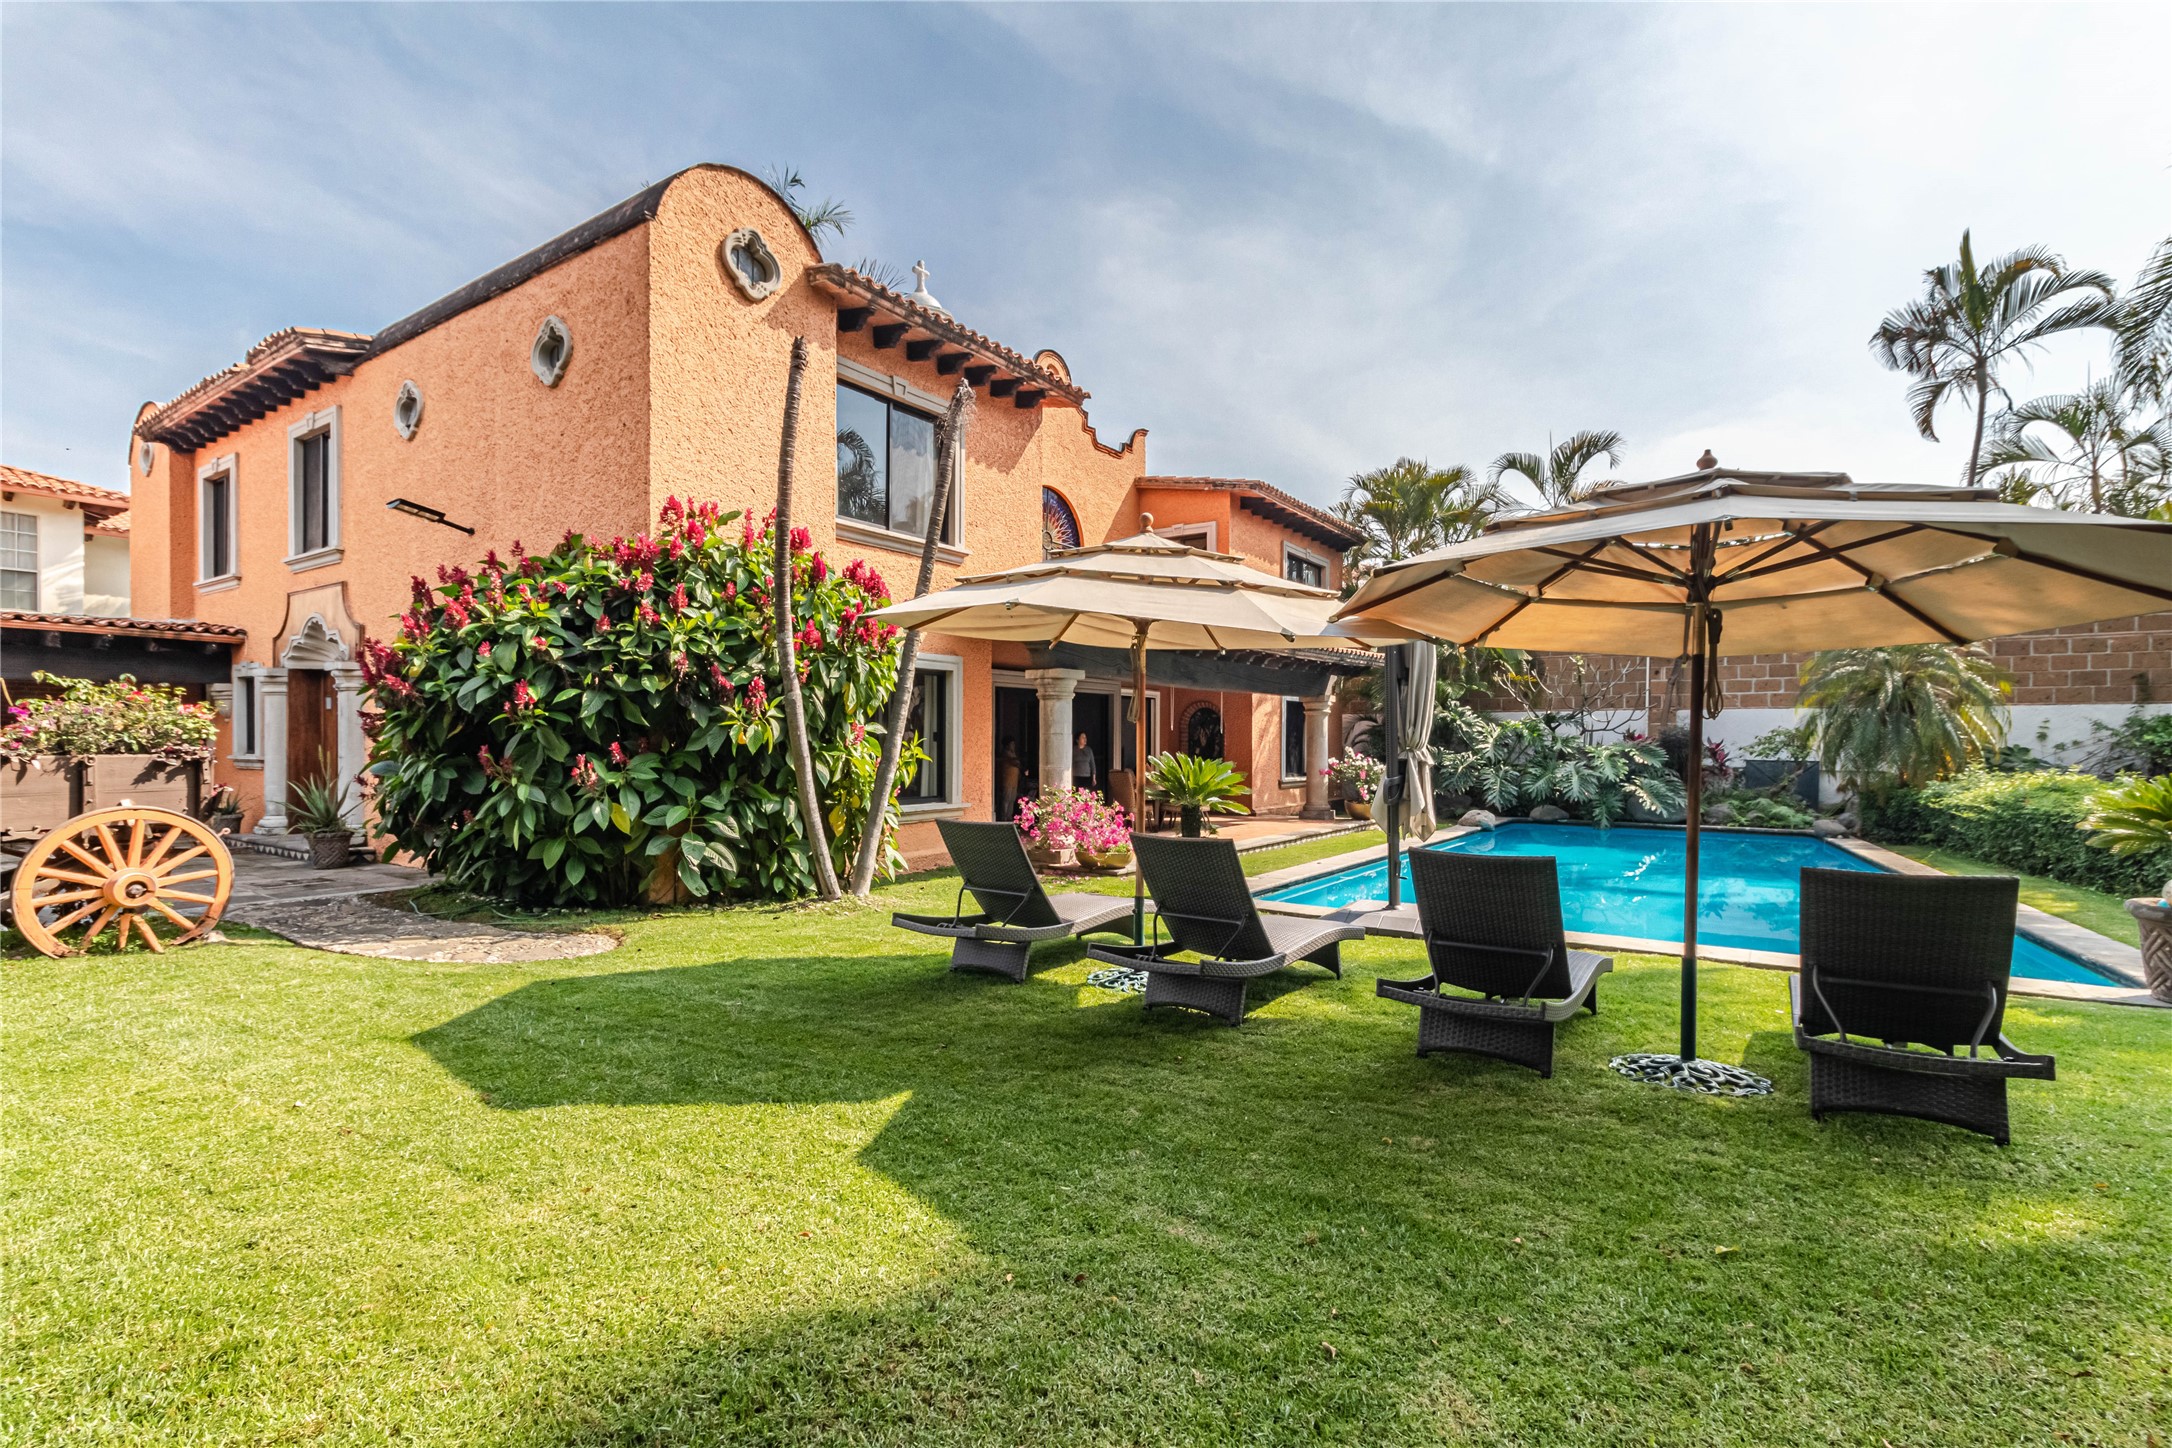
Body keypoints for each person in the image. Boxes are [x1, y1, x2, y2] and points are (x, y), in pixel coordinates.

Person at [997, 738, 1022, 820]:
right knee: (1006, 799)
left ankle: (1009, 816)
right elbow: (1015, 762)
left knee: (1012, 799)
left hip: (1013, 781)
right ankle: (1004, 817)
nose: (1013, 746)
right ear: (1007, 745)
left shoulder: (1013, 754)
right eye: (1012, 744)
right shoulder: (1005, 753)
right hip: (1007, 780)